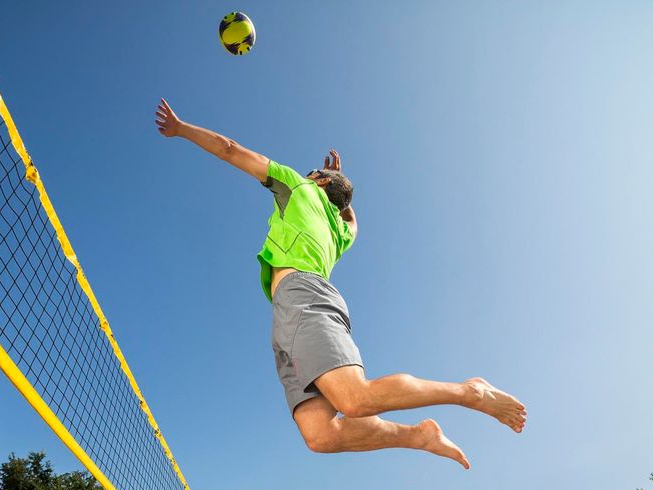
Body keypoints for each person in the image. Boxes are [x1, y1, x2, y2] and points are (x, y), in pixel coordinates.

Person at [155, 98, 526, 469]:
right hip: (290, 308)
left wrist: (181, 128)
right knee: (319, 435)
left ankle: (468, 391)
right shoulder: (341, 231)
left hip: (303, 296)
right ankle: (418, 435)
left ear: (317, 180)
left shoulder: (297, 186)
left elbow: (230, 150)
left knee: (354, 399)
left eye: (313, 172)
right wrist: (341, 191)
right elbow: (351, 219)